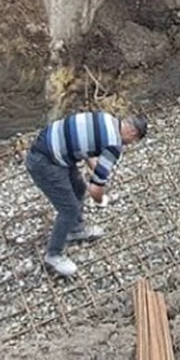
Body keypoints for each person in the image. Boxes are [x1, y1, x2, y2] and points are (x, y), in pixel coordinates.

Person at [26, 111, 148, 277]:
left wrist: (99, 172)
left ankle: (75, 230)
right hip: (45, 163)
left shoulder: (106, 118)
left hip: (49, 145)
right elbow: (95, 190)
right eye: (133, 141)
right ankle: (53, 255)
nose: (130, 143)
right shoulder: (114, 144)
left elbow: (86, 149)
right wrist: (101, 198)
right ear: (133, 133)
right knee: (69, 210)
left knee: (78, 188)